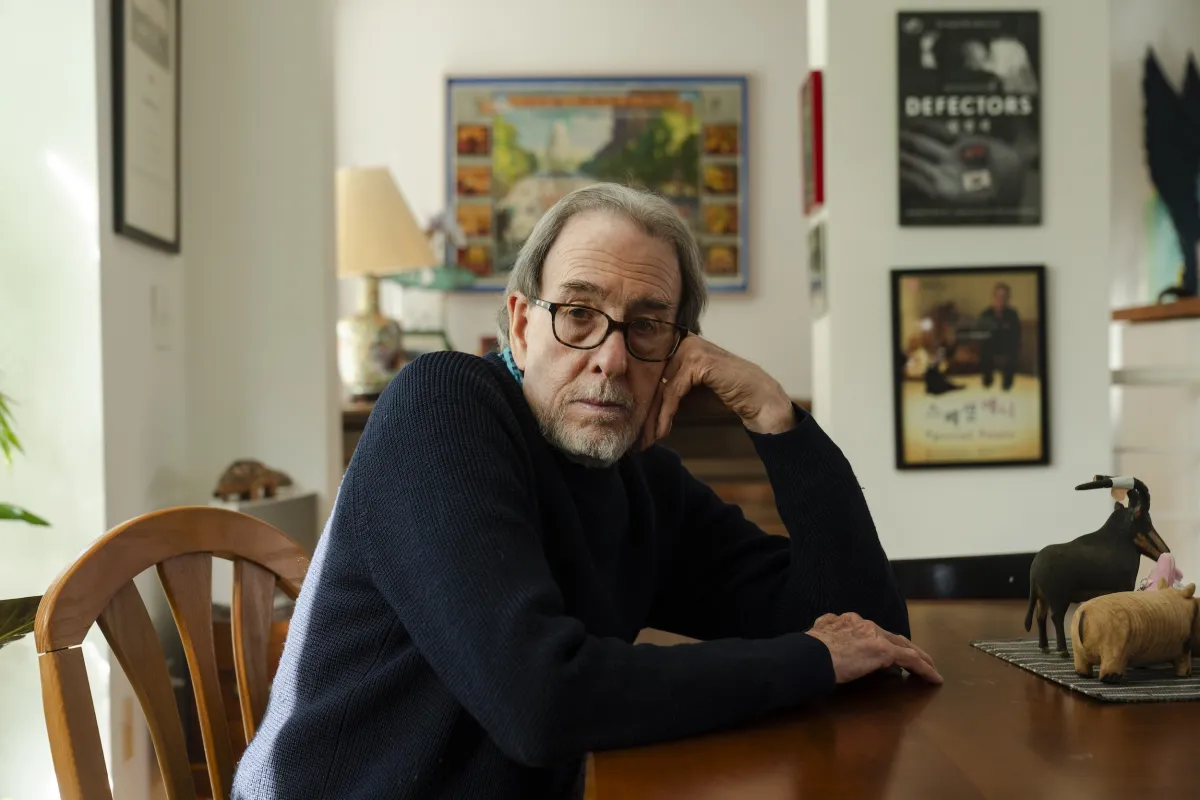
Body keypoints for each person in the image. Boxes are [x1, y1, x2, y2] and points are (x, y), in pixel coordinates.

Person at [232, 184, 941, 800]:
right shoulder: (442, 407)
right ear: (520, 323)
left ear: (677, 352)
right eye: (578, 313)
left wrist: (775, 418)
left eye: (647, 325)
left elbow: (869, 632)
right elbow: (538, 699)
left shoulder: (641, 483)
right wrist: (812, 658)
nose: (610, 357)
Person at [978, 282, 1021, 391]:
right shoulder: (985, 314)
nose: (1000, 299)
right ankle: (987, 384)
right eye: (998, 296)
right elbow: (983, 336)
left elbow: (1015, 337)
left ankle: (1007, 386)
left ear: (1008, 298)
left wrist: (1005, 353)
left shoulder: (1012, 314)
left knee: (1013, 353)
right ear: (993, 297)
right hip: (989, 349)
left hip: (1007, 350)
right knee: (984, 353)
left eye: (1004, 296)